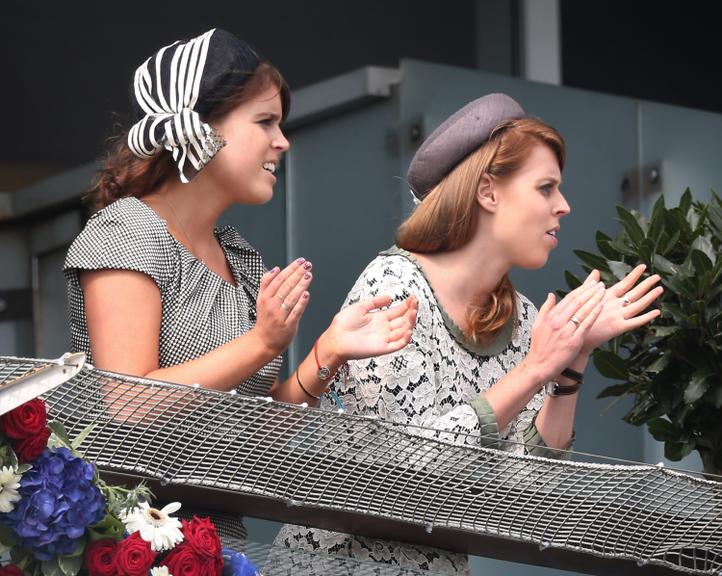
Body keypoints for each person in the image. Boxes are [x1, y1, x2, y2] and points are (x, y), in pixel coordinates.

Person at [276, 93, 663, 574]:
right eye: (545, 188)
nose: (563, 206)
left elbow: (529, 493)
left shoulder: (521, 317)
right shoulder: (394, 286)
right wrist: (532, 371)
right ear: (488, 192)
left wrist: (571, 360)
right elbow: (406, 475)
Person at [64, 28, 417, 404]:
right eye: (265, 121)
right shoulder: (126, 230)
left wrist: (328, 352)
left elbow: (256, 434)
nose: (282, 141)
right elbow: (128, 401)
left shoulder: (238, 256)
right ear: (201, 128)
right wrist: (262, 342)